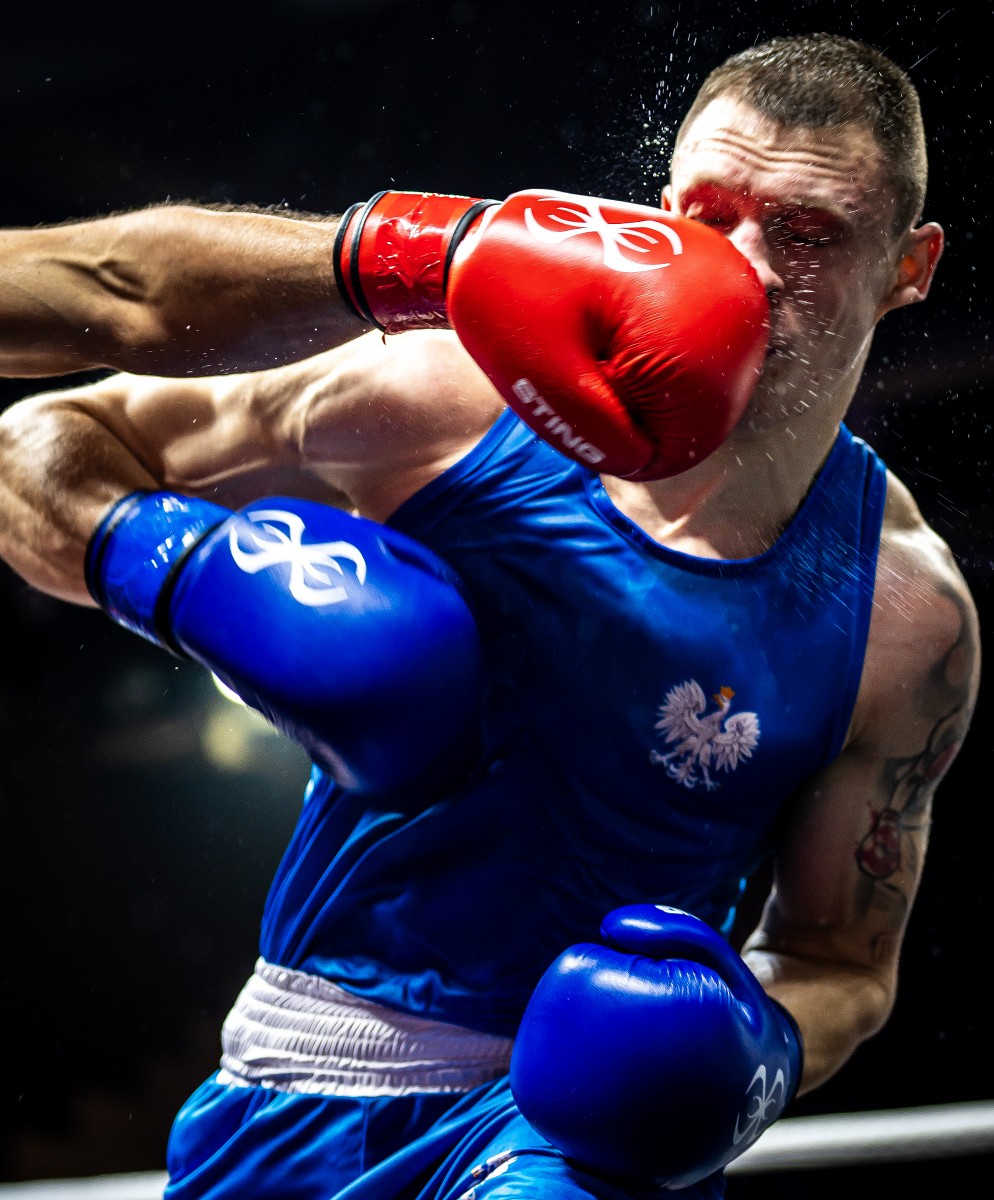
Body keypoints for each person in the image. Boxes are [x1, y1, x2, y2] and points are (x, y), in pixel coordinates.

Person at [0, 31, 979, 1200]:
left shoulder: (906, 616)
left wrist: (748, 1055)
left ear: (908, 266)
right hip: (292, 1085)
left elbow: (842, 964)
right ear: (661, 206)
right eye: (711, 215)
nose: (749, 267)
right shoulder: (454, 396)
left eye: (809, 233)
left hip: (567, 1144)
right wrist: (186, 573)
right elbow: (40, 444)